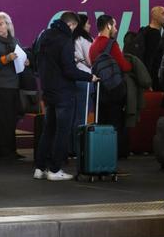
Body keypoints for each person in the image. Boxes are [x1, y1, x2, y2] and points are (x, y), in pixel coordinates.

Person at [35, 11, 97, 181]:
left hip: (47, 90)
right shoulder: (65, 41)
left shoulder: (44, 35)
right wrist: (89, 77)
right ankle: (55, 169)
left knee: (48, 130)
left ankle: (40, 168)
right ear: (71, 25)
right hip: (63, 92)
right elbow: (69, 70)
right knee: (62, 131)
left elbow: (35, 60)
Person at [88, 14, 133, 160]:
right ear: (108, 26)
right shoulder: (111, 44)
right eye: (114, 25)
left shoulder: (93, 45)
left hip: (100, 90)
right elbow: (124, 66)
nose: (116, 28)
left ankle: (103, 154)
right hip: (114, 90)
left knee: (103, 122)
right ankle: (117, 154)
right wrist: (131, 64)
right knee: (116, 123)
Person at [0, 12, 24, 163]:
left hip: (15, 85)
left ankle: (11, 150)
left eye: (0, 24)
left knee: (12, 119)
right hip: (1, 86)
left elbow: (21, 58)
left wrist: (25, 61)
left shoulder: (14, 41)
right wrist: (5, 59)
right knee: (4, 120)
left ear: (8, 25)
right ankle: (2, 153)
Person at [71, 13, 94, 158]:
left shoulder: (71, 38)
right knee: (82, 116)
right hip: (85, 78)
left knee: (73, 116)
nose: (90, 26)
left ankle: (70, 148)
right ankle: (78, 149)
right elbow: (90, 60)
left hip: (73, 79)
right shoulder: (85, 39)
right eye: (88, 23)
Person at [133, 5, 164, 83]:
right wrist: (149, 81)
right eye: (163, 14)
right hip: (151, 79)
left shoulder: (145, 30)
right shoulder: (154, 34)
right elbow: (150, 59)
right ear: (154, 16)